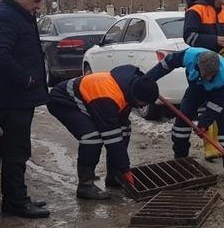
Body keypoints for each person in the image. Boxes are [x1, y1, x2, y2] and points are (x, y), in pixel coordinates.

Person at [0, 0, 51, 219]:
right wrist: (27, 79)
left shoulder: (18, 15)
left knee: (18, 150)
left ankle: (16, 198)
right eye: (36, 1)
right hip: (12, 98)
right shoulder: (5, 17)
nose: (38, 6)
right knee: (16, 152)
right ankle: (15, 203)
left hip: (18, 97)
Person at [46, 65, 159, 199]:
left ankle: (113, 177)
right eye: (143, 103)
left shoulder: (128, 90)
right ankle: (85, 186)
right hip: (64, 101)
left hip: (89, 100)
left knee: (125, 130)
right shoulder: (109, 97)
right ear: (136, 96)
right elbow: (112, 139)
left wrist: (121, 170)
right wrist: (125, 169)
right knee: (92, 138)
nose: (143, 106)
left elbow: (120, 128)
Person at [146, 48, 224, 184]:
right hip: (196, 88)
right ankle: (180, 160)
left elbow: (216, 105)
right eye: (206, 75)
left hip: (218, 94)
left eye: (211, 76)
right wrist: (148, 79)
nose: (208, 78)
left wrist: (203, 124)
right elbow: (166, 64)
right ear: (198, 65)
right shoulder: (189, 56)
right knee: (181, 124)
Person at [183, 0, 224, 161]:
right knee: (205, 111)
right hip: (203, 71)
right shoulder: (196, 10)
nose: (222, 2)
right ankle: (210, 149)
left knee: (223, 112)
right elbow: (190, 37)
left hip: (222, 71)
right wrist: (215, 40)